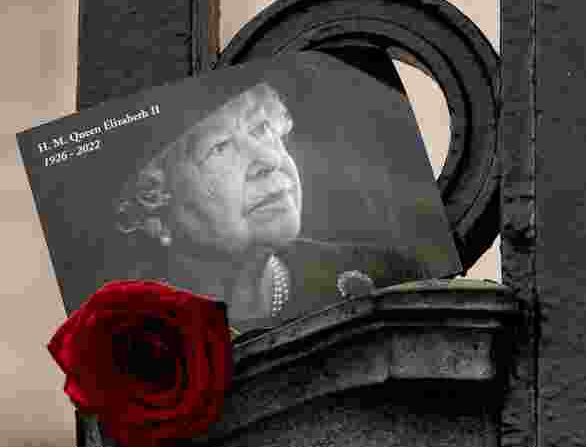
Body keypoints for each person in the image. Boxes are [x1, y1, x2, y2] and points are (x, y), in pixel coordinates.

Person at [113, 82, 426, 330]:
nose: (270, 159)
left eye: (261, 128)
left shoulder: (388, 279)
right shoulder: (130, 335)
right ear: (154, 209)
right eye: (219, 147)